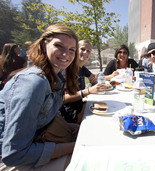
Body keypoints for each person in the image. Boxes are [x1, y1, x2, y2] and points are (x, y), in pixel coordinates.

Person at [0, 24, 80, 170]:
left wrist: (70, 126)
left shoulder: (55, 77)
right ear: (44, 45)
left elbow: (38, 117)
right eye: (59, 46)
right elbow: (14, 154)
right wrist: (75, 147)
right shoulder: (34, 83)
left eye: (71, 50)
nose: (65, 54)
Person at [60, 39, 105, 124]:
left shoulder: (82, 68)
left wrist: (94, 81)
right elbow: (62, 99)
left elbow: (94, 78)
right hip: (69, 115)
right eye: (83, 49)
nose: (85, 53)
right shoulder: (67, 69)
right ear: (76, 50)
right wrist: (87, 91)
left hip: (80, 107)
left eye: (88, 51)